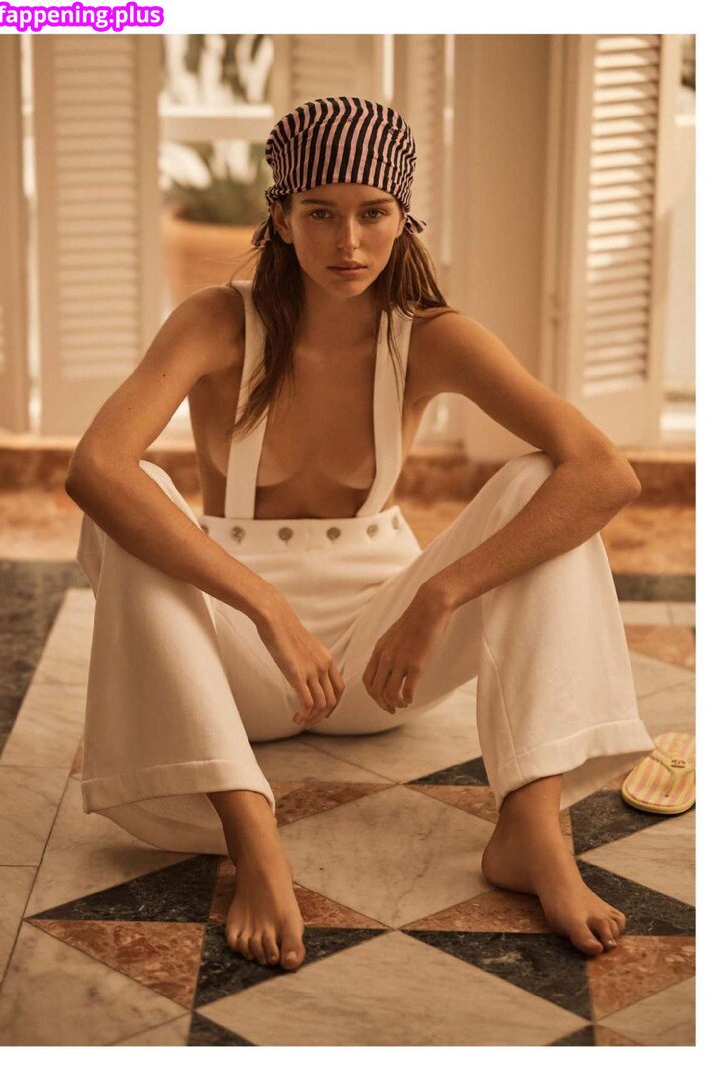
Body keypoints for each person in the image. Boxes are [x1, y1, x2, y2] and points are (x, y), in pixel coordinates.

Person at [66, 96, 655, 975]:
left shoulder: (431, 336)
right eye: (321, 214)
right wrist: (267, 606)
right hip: (237, 669)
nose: (348, 242)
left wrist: (439, 595)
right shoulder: (214, 321)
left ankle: (530, 824)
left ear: (402, 217)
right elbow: (94, 468)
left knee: (545, 481)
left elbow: (608, 472)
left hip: (382, 665)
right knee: (132, 490)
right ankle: (250, 831)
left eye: (373, 213)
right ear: (280, 216)